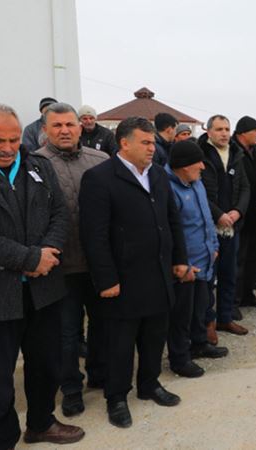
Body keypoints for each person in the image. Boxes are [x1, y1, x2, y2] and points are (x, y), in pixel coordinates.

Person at [0, 103, 84, 447]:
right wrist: (29, 258)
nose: (9, 147)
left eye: (13, 138)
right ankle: (1, 438)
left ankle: (41, 423)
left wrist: (47, 253)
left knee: (45, 364)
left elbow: (59, 213)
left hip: (43, 289)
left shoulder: (37, 164)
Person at [79, 116, 188, 428]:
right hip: (123, 279)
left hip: (158, 272)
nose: (152, 148)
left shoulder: (157, 174)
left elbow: (172, 219)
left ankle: (149, 384)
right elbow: (94, 235)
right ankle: (116, 396)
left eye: (153, 142)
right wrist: (106, 278)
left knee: (155, 335)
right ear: (124, 143)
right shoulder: (100, 178)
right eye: (145, 142)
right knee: (120, 343)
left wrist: (179, 258)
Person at [34, 102, 109, 417]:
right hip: (60, 269)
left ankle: (100, 374)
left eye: (70, 124)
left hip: (98, 265)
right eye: (57, 125)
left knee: (103, 326)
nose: (64, 130)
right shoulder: (33, 165)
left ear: (81, 127)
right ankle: (71, 389)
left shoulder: (102, 161)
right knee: (66, 334)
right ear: (45, 130)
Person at [165, 140, 228, 379]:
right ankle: (180, 358)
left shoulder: (196, 183)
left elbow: (205, 218)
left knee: (201, 305)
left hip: (205, 257)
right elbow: (171, 231)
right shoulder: (168, 188)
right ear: (183, 166)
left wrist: (213, 245)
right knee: (182, 313)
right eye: (197, 162)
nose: (202, 166)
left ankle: (199, 343)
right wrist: (179, 262)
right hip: (185, 264)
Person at [197, 115, 250, 335]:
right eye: (219, 129)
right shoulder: (200, 153)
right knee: (208, 278)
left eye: (227, 128)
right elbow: (197, 188)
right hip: (208, 227)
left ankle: (225, 318)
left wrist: (238, 211)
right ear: (208, 131)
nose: (224, 133)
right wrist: (218, 214)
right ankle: (208, 322)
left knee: (230, 273)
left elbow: (246, 187)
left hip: (232, 226)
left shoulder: (236, 154)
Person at [232, 116, 256, 312]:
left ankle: (247, 294)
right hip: (241, 216)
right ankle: (234, 301)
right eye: (255, 130)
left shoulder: (255, 152)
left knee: (252, 259)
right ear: (242, 133)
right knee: (238, 261)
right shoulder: (234, 151)